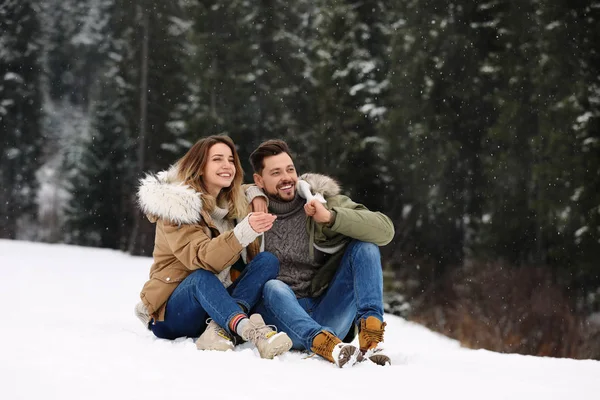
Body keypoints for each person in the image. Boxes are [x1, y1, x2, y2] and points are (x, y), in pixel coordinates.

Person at [134, 135, 292, 359]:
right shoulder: (177, 208)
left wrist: (256, 193)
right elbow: (202, 258)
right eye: (217, 159)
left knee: (267, 261)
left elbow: (249, 187)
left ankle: (219, 327)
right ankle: (249, 331)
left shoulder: (230, 203)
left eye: (230, 159)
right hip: (172, 313)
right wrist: (243, 232)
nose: (227, 165)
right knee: (201, 277)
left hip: (214, 306)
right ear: (200, 167)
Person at [247, 139, 394, 367]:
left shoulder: (320, 201)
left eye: (290, 169)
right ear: (259, 180)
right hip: (282, 320)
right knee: (272, 286)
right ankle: (322, 343)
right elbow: (218, 191)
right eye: (275, 172)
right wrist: (251, 194)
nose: (286, 177)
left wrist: (330, 218)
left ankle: (371, 341)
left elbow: (385, 231)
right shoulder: (248, 211)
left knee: (365, 247)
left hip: (328, 311)